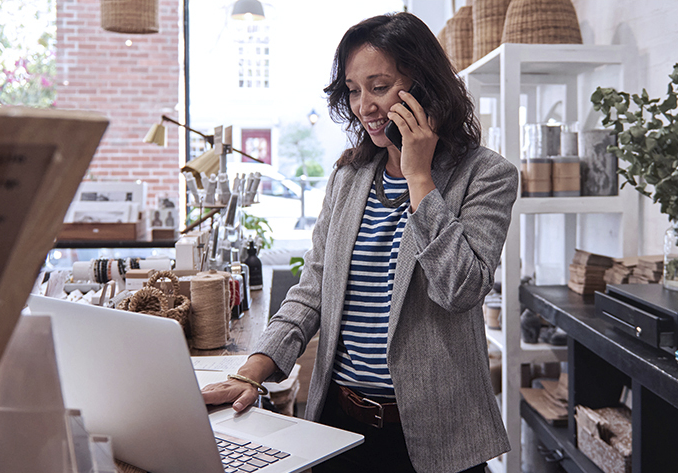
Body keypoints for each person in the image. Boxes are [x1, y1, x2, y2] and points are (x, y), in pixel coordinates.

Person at [202, 12, 518, 473]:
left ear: (423, 88)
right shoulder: (349, 178)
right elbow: (312, 290)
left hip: (437, 437)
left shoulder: (486, 175)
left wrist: (418, 177)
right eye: (353, 89)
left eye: (380, 86)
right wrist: (251, 371)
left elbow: (461, 290)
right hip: (340, 426)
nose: (363, 105)